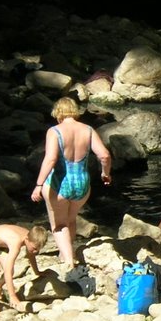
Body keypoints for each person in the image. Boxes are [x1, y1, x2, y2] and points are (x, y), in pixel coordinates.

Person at [31, 97, 112, 269]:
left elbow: (51, 158)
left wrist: (38, 185)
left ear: (57, 113)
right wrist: (105, 174)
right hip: (82, 184)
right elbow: (104, 156)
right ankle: (67, 253)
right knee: (71, 219)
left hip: (59, 184)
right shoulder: (88, 130)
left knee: (59, 225)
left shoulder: (54, 131)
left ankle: (69, 262)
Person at [0, 224, 48, 320]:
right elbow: (7, 270)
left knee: (11, 271)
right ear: (27, 240)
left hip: (2, 245)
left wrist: (37, 272)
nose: (36, 251)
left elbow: (31, 255)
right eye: (34, 248)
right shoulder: (16, 242)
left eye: (38, 249)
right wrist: (12, 296)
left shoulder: (31, 237)